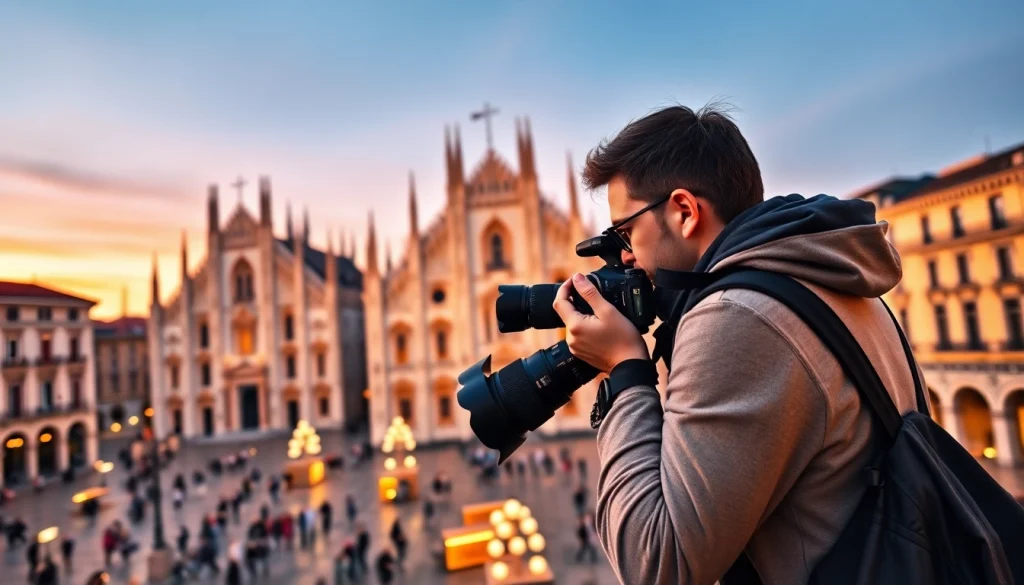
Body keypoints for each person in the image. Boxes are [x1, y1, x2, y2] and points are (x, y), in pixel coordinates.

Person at [552, 104, 918, 584]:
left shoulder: (737, 315)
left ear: (684, 211)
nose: (623, 255)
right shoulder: (825, 277)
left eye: (625, 231)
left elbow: (656, 564)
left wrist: (625, 372)